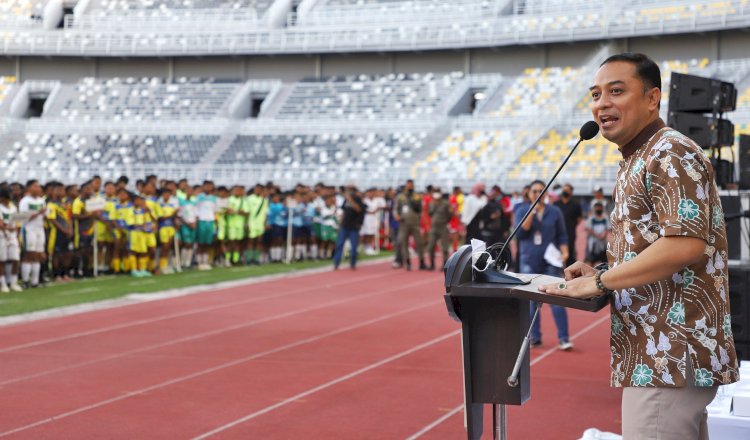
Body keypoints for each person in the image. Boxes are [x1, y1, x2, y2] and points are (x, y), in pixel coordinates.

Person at [539, 52, 739, 439]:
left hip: (670, 355)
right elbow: (659, 245)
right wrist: (601, 272)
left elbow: (684, 246)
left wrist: (600, 284)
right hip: (660, 354)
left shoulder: (670, 152)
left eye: (616, 91)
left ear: (652, 99)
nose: (602, 103)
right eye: (595, 94)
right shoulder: (642, 155)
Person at [514, 179, 572, 351]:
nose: (538, 194)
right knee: (531, 301)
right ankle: (534, 337)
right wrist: (532, 212)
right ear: (529, 193)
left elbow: (562, 235)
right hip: (529, 260)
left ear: (545, 193)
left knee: (557, 299)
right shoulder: (522, 210)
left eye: (541, 191)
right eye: (534, 191)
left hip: (550, 261)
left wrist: (565, 252)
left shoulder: (554, 211)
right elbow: (520, 234)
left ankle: (564, 338)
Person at [19, 180, 46, 288]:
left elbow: (45, 215)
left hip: (39, 229)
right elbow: (23, 217)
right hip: (29, 229)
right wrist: (38, 213)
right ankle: (25, 280)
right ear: (29, 188)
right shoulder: (25, 201)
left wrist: (43, 213)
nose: (38, 188)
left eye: (39, 186)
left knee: (37, 255)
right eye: (35, 186)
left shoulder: (41, 201)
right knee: (29, 254)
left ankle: (35, 281)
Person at [394, 180, 426, 271]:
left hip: (415, 223)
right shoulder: (400, 197)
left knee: (419, 243)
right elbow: (395, 208)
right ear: (406, 186)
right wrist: (396, 216)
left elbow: (421, 209)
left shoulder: (417, 196)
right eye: (408, 185)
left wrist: (419, 217)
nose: (410, 187)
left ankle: (422, 262)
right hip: (404, 223)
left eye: (411, 185)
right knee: (404, 243)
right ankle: (407, 262)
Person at [332, 185, 364, 270]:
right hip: (344, 226)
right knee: (339, 244)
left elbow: (359, 210)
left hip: (354, 227)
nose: (347, 192)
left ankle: (353, 263)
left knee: (353, 246)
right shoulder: (345, 200)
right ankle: (336, 263)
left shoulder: (358, 199)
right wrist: (340, 224)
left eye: (349, 190)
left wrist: (351, 201)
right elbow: (344, 211)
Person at [554, 183, 584, 268]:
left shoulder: (576, 205)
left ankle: (570, 273)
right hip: (557, 234)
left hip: (570, 233)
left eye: (567, 190)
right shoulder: (556, 204)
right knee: (557, 254)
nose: (565, 192)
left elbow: (579, 219)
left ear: (571, 192)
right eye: (564, 190)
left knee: (570, 255)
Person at [0, 187, 22, 292]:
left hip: (12, 236)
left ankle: (13, 282)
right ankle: (3, 283)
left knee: (15, 259)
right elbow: (1, 223)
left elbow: (17, 222)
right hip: (1, 236)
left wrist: (16, 231)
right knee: (2, 260)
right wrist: (8, 228)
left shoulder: (13, 207)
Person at [426, 188, 452, 271]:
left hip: (443, 227)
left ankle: (445, 264)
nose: (436, 194)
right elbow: (430, 213)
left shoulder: (446, 203)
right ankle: (432, 264)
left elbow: (450, 215)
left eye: (437, 192)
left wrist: (445, 221)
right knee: (430, 246)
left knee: (444, 247)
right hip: (434, 227)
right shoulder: (431, 203)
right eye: (435, 192)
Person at [584, 200, 610, 267]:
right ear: (594, 208)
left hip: (603, 244)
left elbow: (608, 228)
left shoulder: (605, 218)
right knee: (590, 261)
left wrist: (603, 235)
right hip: (593, 244)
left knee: (604, 261)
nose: (598, 209)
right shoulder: (591, 218)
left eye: (600, 207)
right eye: (597, 207)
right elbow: (588, 229)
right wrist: (597, 235)